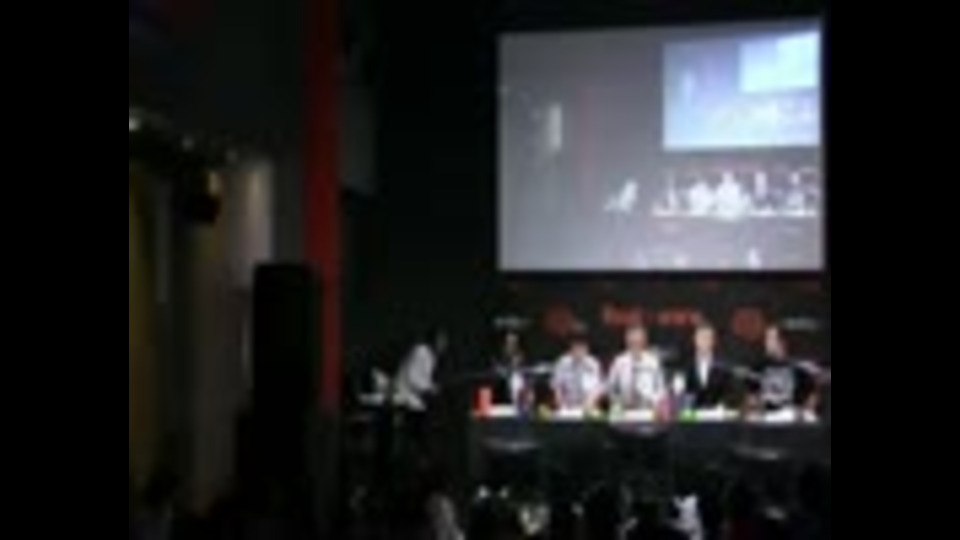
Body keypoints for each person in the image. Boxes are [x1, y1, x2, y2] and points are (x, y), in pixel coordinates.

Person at [752, 325, 817, 412]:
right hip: (766, 415)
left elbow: (811, 399)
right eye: (766, 340)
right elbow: (752, 399)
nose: (767, 344)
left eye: (771, 339)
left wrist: (802, 412)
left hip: (794, 414)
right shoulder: (758, 368)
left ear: (783, 342)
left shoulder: (801, 368)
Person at [607, 325, 667, 410]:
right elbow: (610, 388)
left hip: (647, 408)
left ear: (644, 342)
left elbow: (661, 389)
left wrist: (653, 401)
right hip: (624, 409)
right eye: (632, 342)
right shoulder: (619, 362)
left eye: (638, 341)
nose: (635, 344)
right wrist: (618, 402)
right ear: (627, 342)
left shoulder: (653, 362)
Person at [681, 323, 735, 409]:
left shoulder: (723, 364)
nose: (704, 341)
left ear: (713, 341)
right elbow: (682, 391)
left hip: (717, 413)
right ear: (695, 340)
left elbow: (730, 391)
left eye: (708, 338)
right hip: (691, 413)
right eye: (701, 337)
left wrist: (723, 405)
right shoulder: (685, 363)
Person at [393, 328, 447, 412]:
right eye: (441, 340)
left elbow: (423, 379)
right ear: (434, 340)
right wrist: (430, 387)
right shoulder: (421, 351)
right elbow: (412, 377)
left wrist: (432, 387)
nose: (443, 344)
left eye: (444, 341)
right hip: (404, 395)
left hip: (413, 397)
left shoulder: (431, 356)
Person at [550, 332, 603, 410]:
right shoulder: (562, 363)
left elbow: (596, 389)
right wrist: (561, 405)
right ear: (571, 349)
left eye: (582, 348)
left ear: (587, 349)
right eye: (576, 347)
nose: (579, 350)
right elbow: (557, 387)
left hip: (586, 406)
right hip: (567, 405)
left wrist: (586, 406)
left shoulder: (593, 364)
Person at [491, 331, 528, 405]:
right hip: (501, 401)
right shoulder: (497, 361)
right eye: (509, 343)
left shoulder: (522, 359)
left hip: (520, 400)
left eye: (514, 343)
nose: (512, 346)